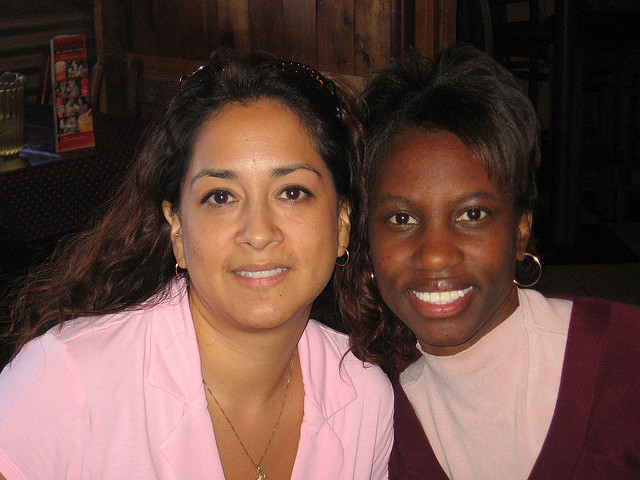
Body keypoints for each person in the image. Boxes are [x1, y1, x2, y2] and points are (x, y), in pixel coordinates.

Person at [0, 52, 393, 480]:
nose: (258, 233)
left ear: (341, 224)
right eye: (221, 197)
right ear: (177, 232)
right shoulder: (66, 383)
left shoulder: (363, 401)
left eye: (292, 192)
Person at [341, 45, 640, 479]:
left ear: (521, 229)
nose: (436, 253)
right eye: (401, 218)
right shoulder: (369, 415)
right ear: (367, 239)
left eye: (471, 215)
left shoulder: (625, 358)